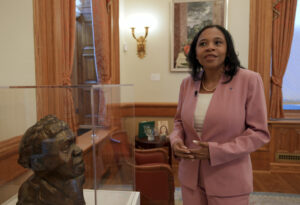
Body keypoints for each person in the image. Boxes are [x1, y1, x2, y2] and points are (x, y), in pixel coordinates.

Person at [169, 25, 270, 205]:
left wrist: (216, 152)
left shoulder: (249, 80)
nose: (210, 47)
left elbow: (259, 133)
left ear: (228, 50)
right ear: (195, 53)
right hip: (190, 179)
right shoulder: (187, 83)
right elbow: (178, 123)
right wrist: (175, 142)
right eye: (203, 44)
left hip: (229, 180)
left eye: (217, 42)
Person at [17, 115, 85, 205]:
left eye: (73, 142)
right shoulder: (30, 195)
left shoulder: (76, 181)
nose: (78, 150)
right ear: (38, 163)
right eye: (65, 147)